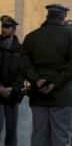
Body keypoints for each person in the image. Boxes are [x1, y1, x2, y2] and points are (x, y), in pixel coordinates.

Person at [23, 4, 72, 146]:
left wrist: (37, 80)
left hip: (38, 94)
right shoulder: (71, 34)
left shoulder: (31, 37)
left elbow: (24, 65)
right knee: (61, 138)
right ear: (63, 17)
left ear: (47, 16)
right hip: (62, 95)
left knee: (39, 137)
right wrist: (54, 84)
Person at [0, 15, 27, 146]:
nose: (3, 29)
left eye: (7, 27)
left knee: (12, 131)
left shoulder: (21, 49)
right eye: (2, 26)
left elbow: (22, 72)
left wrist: (11, 89)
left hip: (12, 95)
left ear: (14, 30)